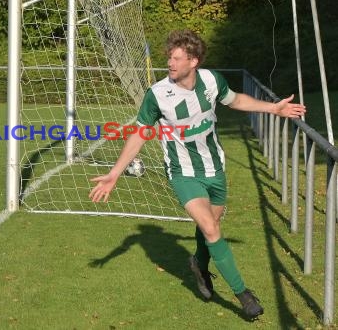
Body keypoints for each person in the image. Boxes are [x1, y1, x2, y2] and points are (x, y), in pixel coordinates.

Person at [89, 29, 306, 319]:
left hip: (215, 167)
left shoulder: (211, 80)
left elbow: (236, 100)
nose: (170, 63)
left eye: (177, 58)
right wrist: (115, 173)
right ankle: (244, 295)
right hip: (182, 172)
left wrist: (273, 108)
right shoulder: (157, 94)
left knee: (211, 225)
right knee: (211, 228)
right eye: (169, 57)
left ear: (194, 61)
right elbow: (141, 133)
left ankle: (199, 265)